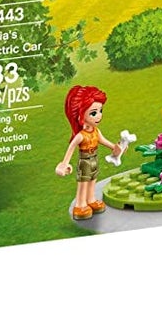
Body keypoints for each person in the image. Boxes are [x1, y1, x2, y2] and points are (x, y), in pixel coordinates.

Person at [55, 86, 121, 221]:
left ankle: (90, 199)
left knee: (93, 179)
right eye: (93, 113)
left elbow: (103, 141)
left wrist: (116, 147)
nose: (99, 116)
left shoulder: (96, 131)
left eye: (100, 111)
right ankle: (80, 205)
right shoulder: (80, 135)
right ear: (81, 115)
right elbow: (71, 148)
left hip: (94, 159)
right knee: (83, 182)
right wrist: (64, 164)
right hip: (84, 161)